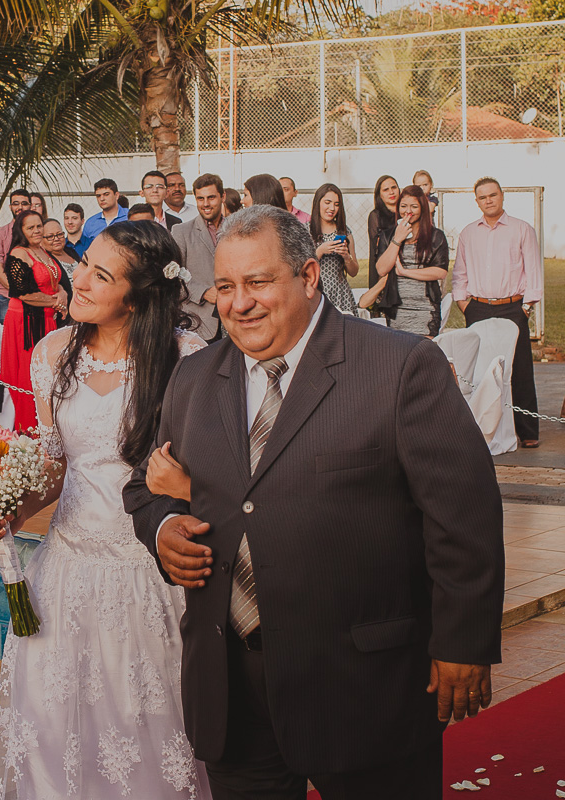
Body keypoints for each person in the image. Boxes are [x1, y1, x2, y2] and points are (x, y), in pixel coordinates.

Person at [124, 204, 504, 800]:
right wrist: (164, 522)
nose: (238, 303)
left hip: (363, 690)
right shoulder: (193, 380)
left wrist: (463, 642)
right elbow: (144, 485)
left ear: (306, 276)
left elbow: (462, 514)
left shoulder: (400, 367)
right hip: (233, 694)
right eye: (225, 286)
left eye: (258, 282)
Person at [0, 221, 209, 800]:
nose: (76, 279)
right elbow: (58, 465)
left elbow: (218, 473)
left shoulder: (188, 357)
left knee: (149, 726)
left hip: (151, 573)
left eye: (99, 275)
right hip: (65, 573)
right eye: (84, 264)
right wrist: (7, 511)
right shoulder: (52, 353)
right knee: (56, 731)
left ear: (136, 295)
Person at [453, 176, 543, 448]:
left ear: (502, 196)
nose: (488, 200)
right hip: (477, 307)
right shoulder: (468, 233)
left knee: (520, 369)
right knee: (480, 369)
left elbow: (533, 271)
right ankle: (480, 427)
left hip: (513, 307)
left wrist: (526, 307)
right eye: (483, 197)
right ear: (476, 200)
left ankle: (528, 432)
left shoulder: (522, 229)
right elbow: (460, 272)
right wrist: (463, 303)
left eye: (493, 195)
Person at [0, 210, 68, 432]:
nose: (37, 231)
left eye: (39, 226)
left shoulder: (41, 251)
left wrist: (63, 294)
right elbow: (23, 293)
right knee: (30, 378)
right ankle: (30, 431)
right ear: (21, 230)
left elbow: (58, 280)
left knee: (47, 377)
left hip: (47, 318)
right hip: (26, 323)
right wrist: (53, 302)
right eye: (31, 228)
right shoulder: (18, 254)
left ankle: (48, 426)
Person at [375, 186, 449, 337]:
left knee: (423, 355)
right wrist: (397, 239)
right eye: (403, 206)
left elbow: (440, 272)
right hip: (396, 309)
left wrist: (405, 272)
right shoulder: (387, 236)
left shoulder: (436, 236)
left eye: (414, 206)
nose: (408, 211)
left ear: (422, 208)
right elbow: (382, 269)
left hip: (425, 309)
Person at [172, 173, 225, 342]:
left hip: (234, 317)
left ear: (222, 197)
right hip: (199, 321)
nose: (206, 204)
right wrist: (203, 293)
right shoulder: (181, 231)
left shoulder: (237, 228)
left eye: (211, 197)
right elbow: (172, 277)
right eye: (200, 199)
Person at [308, 183, 360, 317]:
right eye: (327, 202)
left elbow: (354, 272)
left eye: (337, 204)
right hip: (316, 291)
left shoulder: (345, 231)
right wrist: (320, 251)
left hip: (340, 294)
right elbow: (299, 267)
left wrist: (346, 257)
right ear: (318, 202)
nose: (332, 208)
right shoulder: (306, 230)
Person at [0, 189, 33, 323]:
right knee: (8, 340)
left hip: (36, 298)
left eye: (24, 203)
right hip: (7, 297)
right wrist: (18, 291)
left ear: (30, 206)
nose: (20, 207)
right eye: (15, 204)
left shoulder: (38, 233)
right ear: (10, 207)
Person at [76, 178, 128, 257]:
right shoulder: (91, 223)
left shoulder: (130, 216)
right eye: (98, 196)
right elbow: (86, 251)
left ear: (116, 195)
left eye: (106, 194)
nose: (102, 199)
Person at [367, 175, 400, 288]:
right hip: (384, 266)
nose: (391, 192)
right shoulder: (375, 216)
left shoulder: (406, 212)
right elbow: (375, 248)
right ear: (379, 194)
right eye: (386, 190)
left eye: (394, 188)